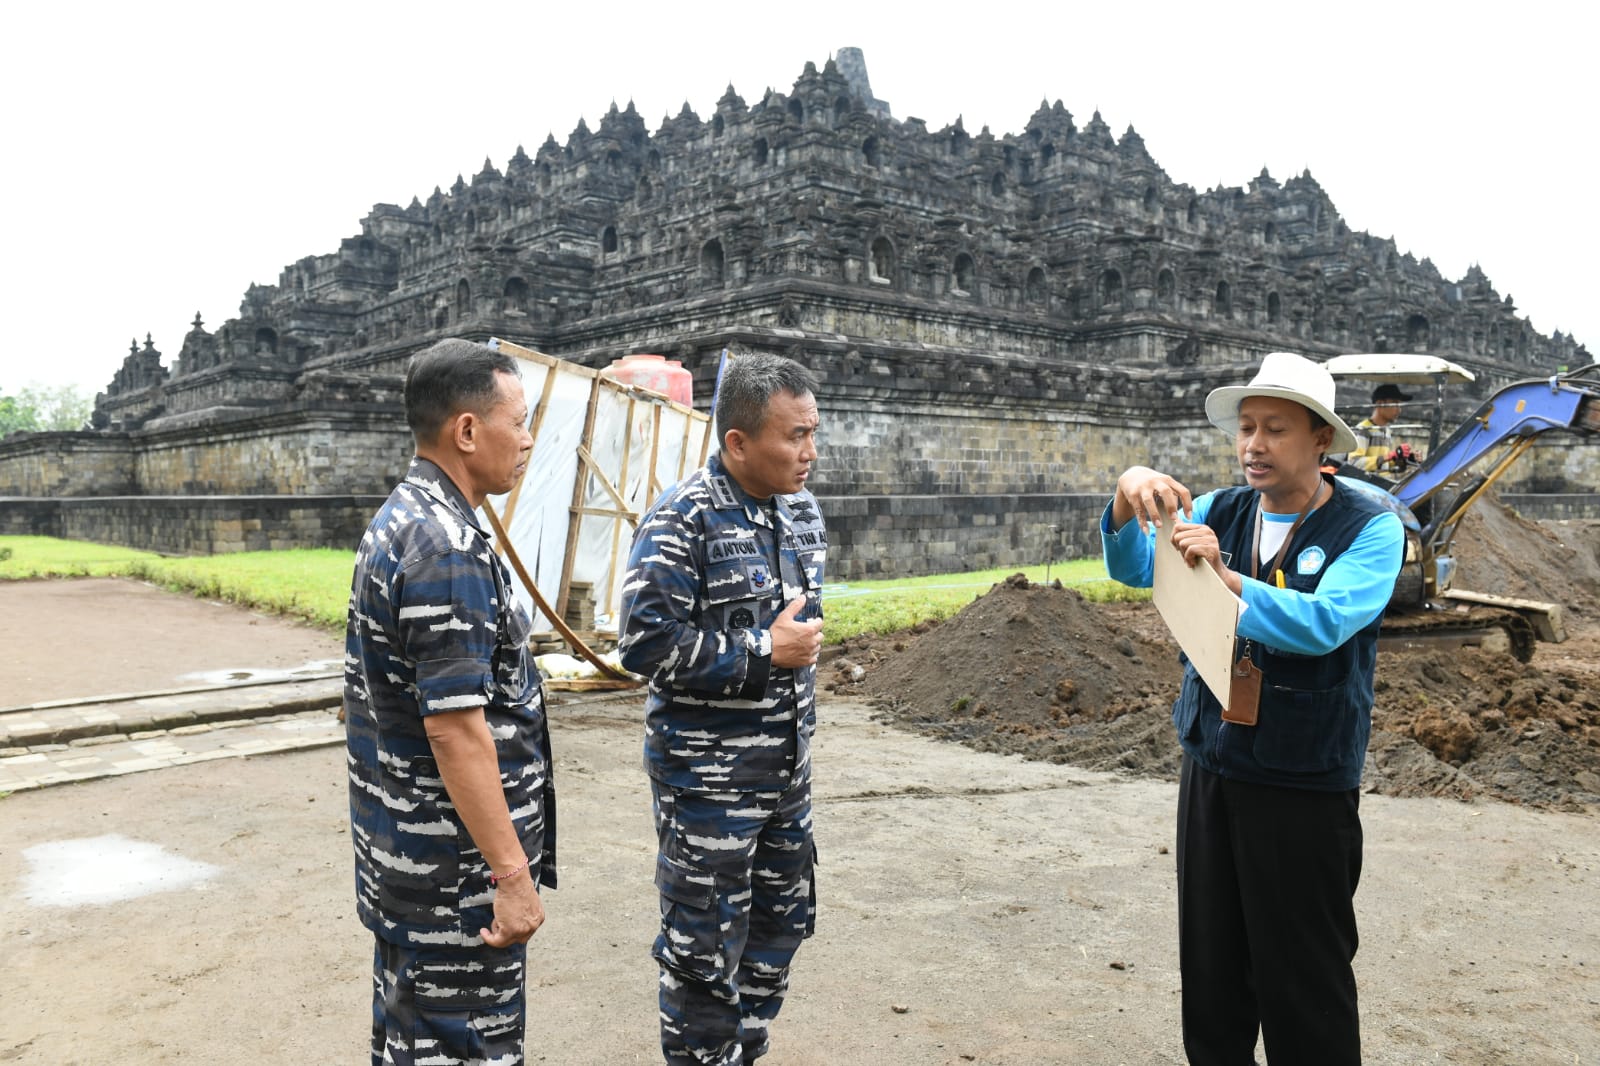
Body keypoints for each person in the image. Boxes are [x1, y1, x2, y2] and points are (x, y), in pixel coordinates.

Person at [1101, 351, 1404, 1065]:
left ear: (1320, 440)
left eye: (1275, 429)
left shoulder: (1371, 527)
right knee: (1211, 962)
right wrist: (1125, 495)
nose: (1253, 446)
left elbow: (1324, 623)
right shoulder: (1215, 508)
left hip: (1303, 777)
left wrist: (1226, 576)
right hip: (1213, 762)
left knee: (1303, 971)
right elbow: (1137, 568)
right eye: (1246, 429)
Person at [344, 338, 556, 1066]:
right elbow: (457, 732)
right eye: (518, 421)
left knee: (415, 1047)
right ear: (467, 431)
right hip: (453, 880)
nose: (528, 440)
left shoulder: (406, 518)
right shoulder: (444, 544)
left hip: (411, 862)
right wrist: (511, 877)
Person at [619, 352, 826, 1065]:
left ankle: (742, 1049)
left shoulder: (802, 512)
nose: (809, 452)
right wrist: (761, 652)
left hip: (784, 778)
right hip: (707, 787)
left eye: (813, 432)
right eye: (793, 436)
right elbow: (644, 645)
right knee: (703, 951)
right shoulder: (683, 520)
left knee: (780, 926)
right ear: (737, 442)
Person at [1348, 382, 1412, 471]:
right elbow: (1354, 463)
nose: (1399, 410)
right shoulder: (1363, 429)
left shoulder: (1387, 430)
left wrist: (1405, 458)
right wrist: (1388, 456)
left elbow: (1383, 464)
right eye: (1395, 403)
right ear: (1380, 403)